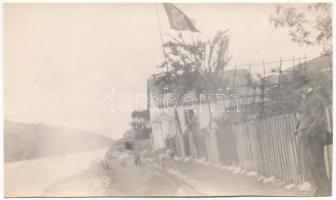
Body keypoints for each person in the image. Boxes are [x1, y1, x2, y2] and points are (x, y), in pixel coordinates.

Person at [296, 85, 332, 196]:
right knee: (313, 165)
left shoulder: (315, 98)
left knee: (317, 164)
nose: (298, 91)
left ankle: (325, 191)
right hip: (309, 137)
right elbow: (304, 117)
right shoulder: (306, 98)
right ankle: (322, 189)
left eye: (300, 87)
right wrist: (298, 127)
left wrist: (307, 132)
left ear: (306, 85)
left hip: (315, 137)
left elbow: (318, 120)